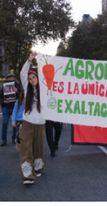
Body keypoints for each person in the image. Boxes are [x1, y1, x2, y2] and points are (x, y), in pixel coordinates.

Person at [19, 52, 46, 185]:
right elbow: (23, 74)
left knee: (39, 147)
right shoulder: (27, 87)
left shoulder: (46, 89)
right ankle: (28, 175)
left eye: (33, 77)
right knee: (26, 147)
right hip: (28, 122)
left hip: (41, 122)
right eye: (30, 78)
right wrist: (29, 60)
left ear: (38, 77)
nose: (31, 80)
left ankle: (38, 167)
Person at [1, 73, 21, 146]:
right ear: (7, 79)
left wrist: (17, 92)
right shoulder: (4, 86)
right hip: (6, 107)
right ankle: (4, 139)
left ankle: (14, 138)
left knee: (15, 124)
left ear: (14, 78)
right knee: (5, 123)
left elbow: (22, 96)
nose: (10, 79)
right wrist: (3, 101)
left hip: (15, 107)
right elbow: (1, 96)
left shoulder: (18, 86)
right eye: (9, 78)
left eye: (12, 77)